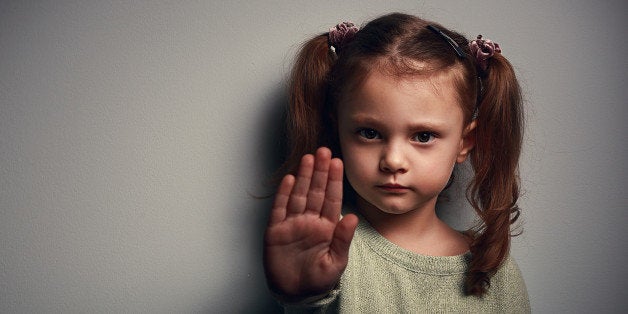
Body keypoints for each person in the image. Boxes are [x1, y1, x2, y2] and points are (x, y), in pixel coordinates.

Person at [263, 12, 530, 313]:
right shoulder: (321, 244)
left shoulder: (495, 269)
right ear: (338, 130)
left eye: (424, 136)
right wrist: (302, 297)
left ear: (464, 143)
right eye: (369, 133)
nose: (393, 160)